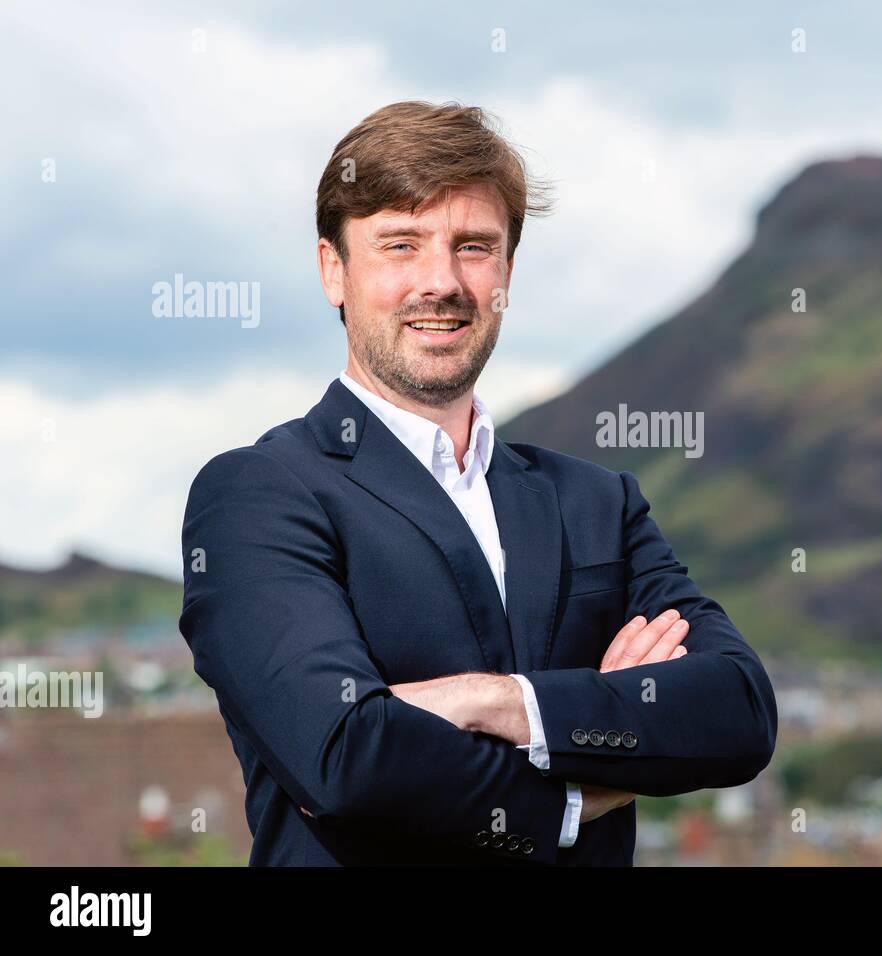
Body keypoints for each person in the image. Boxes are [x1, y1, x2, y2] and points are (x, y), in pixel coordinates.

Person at [179, 100, 778, 865]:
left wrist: (502, 703)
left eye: (473, 247)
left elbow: (738, 709)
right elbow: (344, 756)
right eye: (401, 244)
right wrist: (577, 789)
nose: (442, 281)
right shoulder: (259, 496)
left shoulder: (597, 504)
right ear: (333, 269)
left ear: (506, 273)